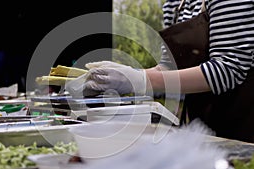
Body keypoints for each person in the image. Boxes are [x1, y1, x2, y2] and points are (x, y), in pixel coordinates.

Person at [81, 0, 254, 143]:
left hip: (242, 126)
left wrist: (141, 80)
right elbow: (169, 67)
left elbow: (228, 69)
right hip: (202, 128)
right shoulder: (175, 4)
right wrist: (124, 75)